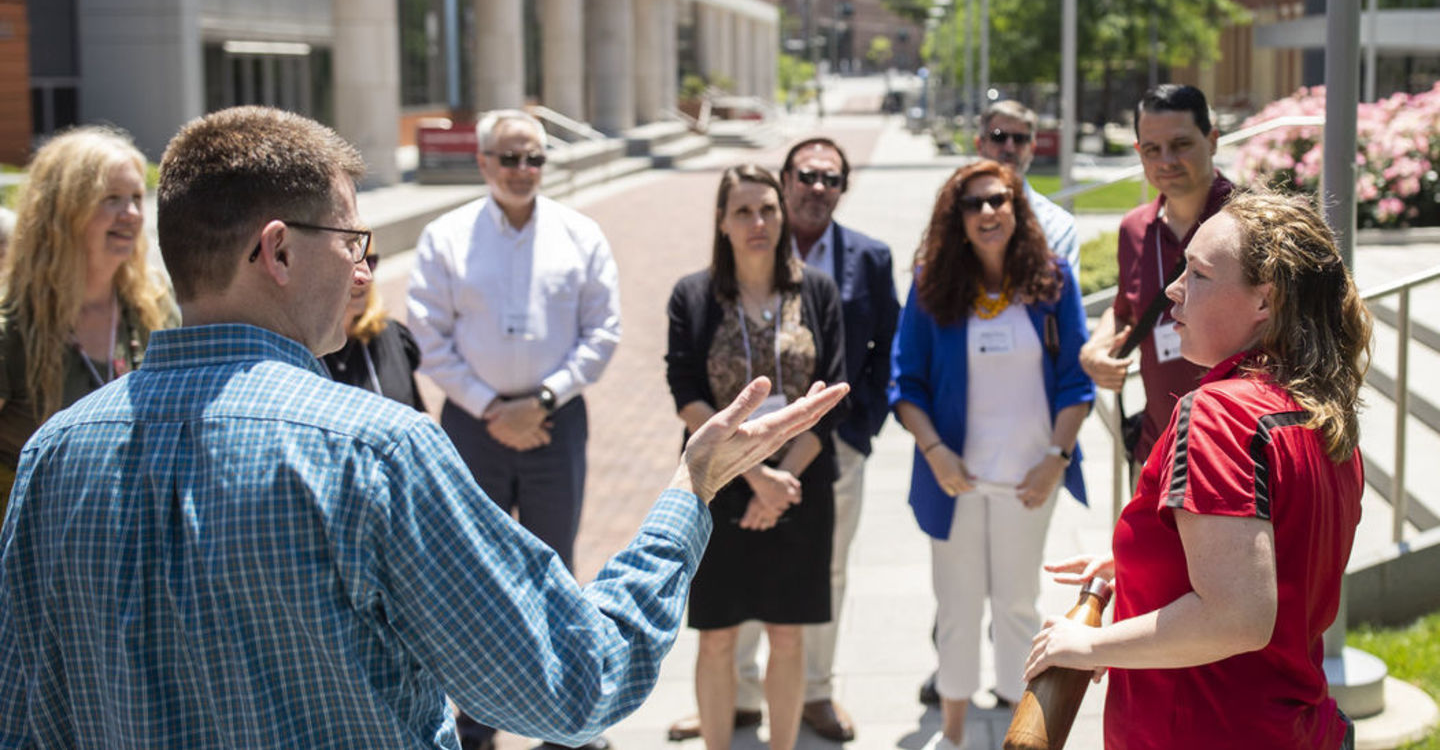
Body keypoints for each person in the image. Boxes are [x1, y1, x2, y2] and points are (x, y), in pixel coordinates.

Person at [0, 105, 850, 748]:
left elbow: (25, 719)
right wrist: (689, 487)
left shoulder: (55, 454)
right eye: (350, 238)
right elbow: (576, 678)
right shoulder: (372, 450)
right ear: (278, 251)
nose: (366, 265)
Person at [1025, 190, 1371, 750]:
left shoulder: (1221, 413)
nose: (1172, 289)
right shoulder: (1320, 409)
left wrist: (1085, 645)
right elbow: (1281, 553)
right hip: (1296, 728)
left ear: (1266, 301)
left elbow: (1236, 617)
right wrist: (1146, 559)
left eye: (1199, 273)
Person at [667, 139, 898, 745]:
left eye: (767, 210)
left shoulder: (815, 291)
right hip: (717, 483)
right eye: (742, 212)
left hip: (802, 481)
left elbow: (830, 395)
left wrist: (782, 480)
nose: (758, 223)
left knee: (788, 633)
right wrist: (754, 477)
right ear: (721, 222)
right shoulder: (692, 296)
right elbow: (685, 393)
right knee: (717, 636)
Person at [406, 107, 622, 750]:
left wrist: (545, 399)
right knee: (477, 577)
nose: (523, 170)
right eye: (510, 158)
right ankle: (477, 726)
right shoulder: (445, 237)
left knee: (556, 574)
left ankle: (564, 723)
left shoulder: (580, 235)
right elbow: (428, 335)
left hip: (560, 420)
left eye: (535, 159)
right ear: (483, 163)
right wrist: (492, 408)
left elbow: (603, 331)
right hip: (475, 428)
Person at [889, 160, 1093, 750]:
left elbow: (1076, 382)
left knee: (1017, 605)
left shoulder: (1051, 281)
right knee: (955, 606)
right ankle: (953, 737)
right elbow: (906, 385)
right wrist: (935, 453)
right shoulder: (931, 286)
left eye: (998, 200)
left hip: (1029, 479)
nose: (987, 212)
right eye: (972, 204)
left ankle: (1018, 731)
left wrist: (1057, 455)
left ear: (1017, 207)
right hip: (955, 480)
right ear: (956, 218)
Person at [0, 126, 175, 520]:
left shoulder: (155, 306)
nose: (131, 214)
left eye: (134, 198)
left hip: (135, 542)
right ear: (60, 211)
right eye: (111, 199)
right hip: (36, 554)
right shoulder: (10, 327)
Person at [1080, 84, 1236, 467]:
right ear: (1139, 152)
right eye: (1152, 149)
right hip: (1159, 454)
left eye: (1181, 144)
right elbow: (1124, 310)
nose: (1166, 160)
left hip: (1237, 456)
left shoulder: (1251, 222)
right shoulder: (1135, 229)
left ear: (1212, 140)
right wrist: (1094, 350)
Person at [975, 100, 1079, 273]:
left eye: (1020, 139)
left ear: (1032, 148)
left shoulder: (1059, 226)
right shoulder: (952, 214)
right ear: (980, 144)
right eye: (999, 137)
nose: (1009, 147)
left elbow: (1063, 295)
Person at [322, 245, 426, 411]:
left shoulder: (391, 335)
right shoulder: (303, 353)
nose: (365, 276)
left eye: (369, 262)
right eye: (351, 264)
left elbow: (420, 413)